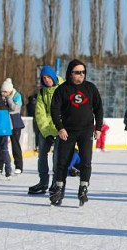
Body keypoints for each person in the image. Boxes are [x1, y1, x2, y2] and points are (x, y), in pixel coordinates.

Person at [50, 59, 103, 207]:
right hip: (67, 131)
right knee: (62, 162)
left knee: (86, 161)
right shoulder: (62, 89)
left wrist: (98, 128)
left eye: (83, 72)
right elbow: (54, 110)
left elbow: (98, 109)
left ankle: (83, 188)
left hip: (86, 130)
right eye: (77, 72)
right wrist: (60, 127)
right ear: (70, 73)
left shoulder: (90, 88)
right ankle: (59, 189)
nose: (81, 75)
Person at [28, 66, 64, 195]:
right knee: (42, 155)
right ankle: (43, 182)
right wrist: (47, 133)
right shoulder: (42, 93)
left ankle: (55, 183)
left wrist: (61, 128)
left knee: (57, 157)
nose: (47, 80)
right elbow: (40, 114)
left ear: (53, 77)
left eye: (48, 77)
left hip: (61, 127)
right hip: (46, 129)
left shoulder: (63, 89)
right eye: (44, 78)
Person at [0, 78, 24, 175]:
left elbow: (15, 108)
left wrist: (8, 99)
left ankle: (19, 166)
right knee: (2, 144)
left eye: (5, 92)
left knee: (15, 144)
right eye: (2, 91)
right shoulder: (1, 96)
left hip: (15, 123)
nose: (3, 93)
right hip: (4, 122)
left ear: (9, 91)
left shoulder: (17, 96)